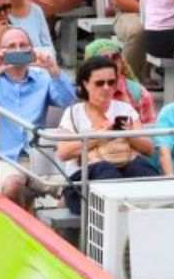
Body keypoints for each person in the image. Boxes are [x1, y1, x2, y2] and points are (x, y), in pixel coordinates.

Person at [0, 26, 75, 200]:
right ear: (0, 51)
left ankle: (52, 228)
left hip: (36, 159)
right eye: (11, 46)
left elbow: (67, 101)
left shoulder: (43, 77)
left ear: (31, 49)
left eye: (23, 45)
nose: (18, 50)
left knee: (73, 189)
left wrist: (54, 70)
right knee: (13, 184)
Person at [56, 56, 160, 215]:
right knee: (106, 170)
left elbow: (148, 149)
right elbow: (63, 152)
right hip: (83, 182)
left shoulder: (125, 109)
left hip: (124, 171)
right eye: (99, 83)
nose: (106, 88)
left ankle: (153, 215)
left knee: (142, 168)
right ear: (85, 84)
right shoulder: (73, 113)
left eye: (111, 82)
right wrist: (99, 136)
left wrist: (129, 134)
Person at [81, 38, 156, 124]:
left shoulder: (139, 94)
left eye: (115, 57)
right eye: (104, 58)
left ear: (122, 61)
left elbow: (149, 132)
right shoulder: (79, 94)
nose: (111, 62)